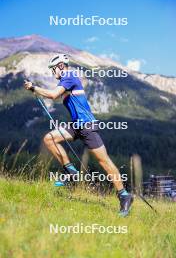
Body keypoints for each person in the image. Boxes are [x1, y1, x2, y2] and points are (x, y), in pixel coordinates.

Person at [24, 53, 133, 216]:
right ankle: (71, 171)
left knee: (104, 161)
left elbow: (53, 95)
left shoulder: (69, 75)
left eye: (53, 69)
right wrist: (37, 91)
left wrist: (34, 88)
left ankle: (124, 196)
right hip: (76, 126)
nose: (52, 72)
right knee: (49, 139)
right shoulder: (64, 81)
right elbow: (55, 97)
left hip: (87, 126)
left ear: (61, 66)